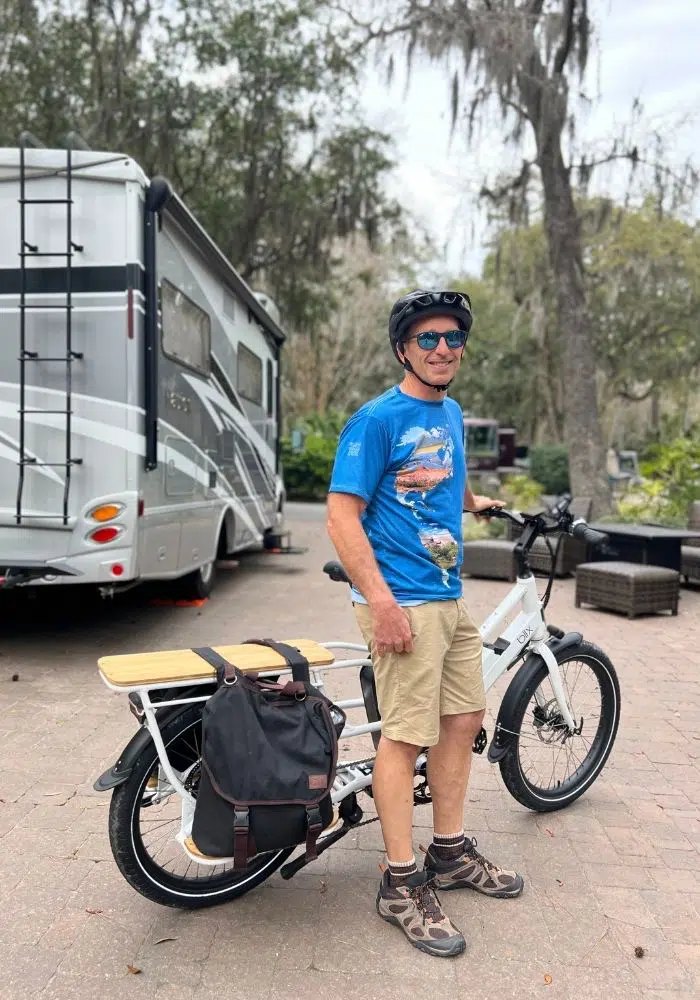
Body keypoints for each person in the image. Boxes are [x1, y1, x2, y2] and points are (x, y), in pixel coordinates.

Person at [327, 289, 524, 959]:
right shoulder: (377, 420)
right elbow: (341, 516)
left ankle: (449, 852)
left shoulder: (450, 411)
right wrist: (380, 602)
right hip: (402, 601)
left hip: (446, 597)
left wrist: (475, 503)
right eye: (428, 339)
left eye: (452, 339)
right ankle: (400, 883)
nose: (443, 349)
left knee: (463, 720)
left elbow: (447, 475)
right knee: (405, 737)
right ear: (404, 348)